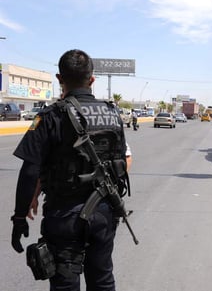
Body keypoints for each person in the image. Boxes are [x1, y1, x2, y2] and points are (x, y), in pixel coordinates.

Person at [11, 49, 130, 291]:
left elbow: (29, 172)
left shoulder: (51, 116)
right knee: (102, 280)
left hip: (65, 216)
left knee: (65, 284)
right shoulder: (112, 113)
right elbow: (121, 162)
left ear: (59, 79)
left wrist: (20, 217)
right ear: (92, 79)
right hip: (104, 213)